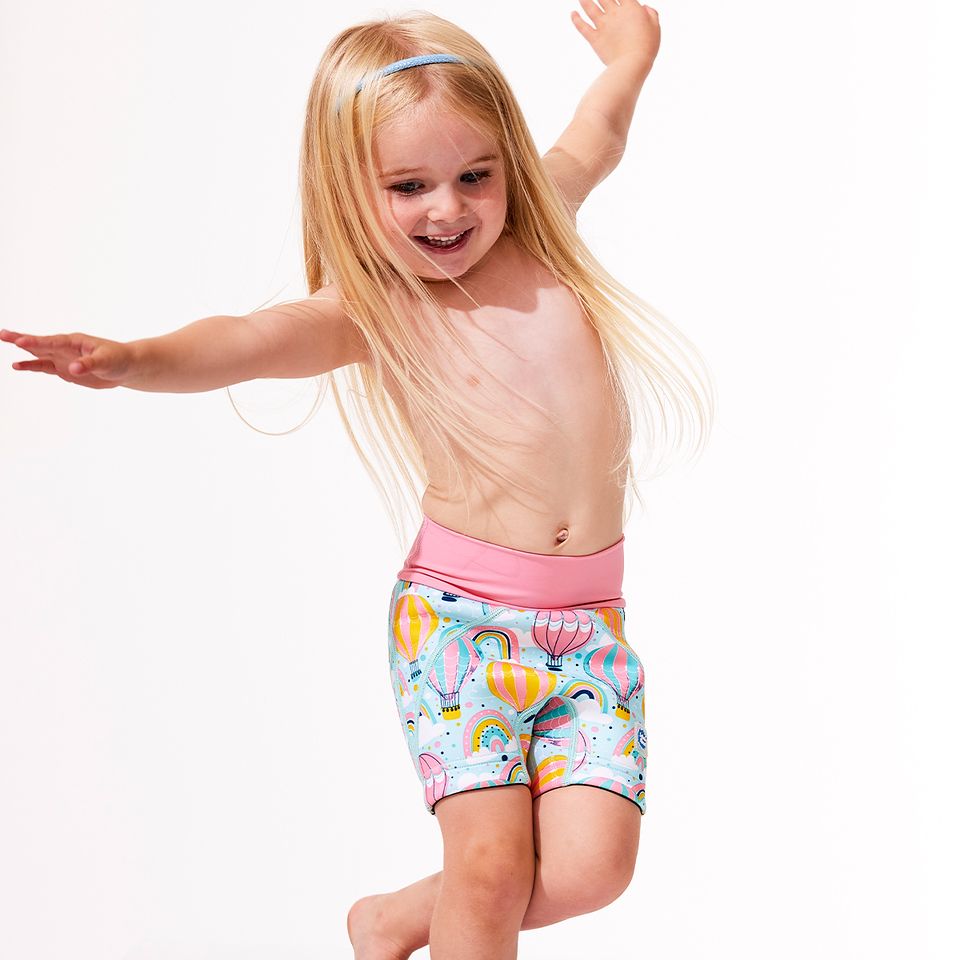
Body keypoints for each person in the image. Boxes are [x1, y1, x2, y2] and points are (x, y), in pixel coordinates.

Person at [1, 4, 715, 958]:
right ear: (352, 190)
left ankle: (386, 921)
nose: (448, 208)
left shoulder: (542, 231)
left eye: (474, 175)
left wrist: (633, 55)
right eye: (409, 186)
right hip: (460, 626)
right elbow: (246, 342)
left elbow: (600, 129)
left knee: (592, 872)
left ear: (506, 162)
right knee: (493, 868)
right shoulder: (375, 312)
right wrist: (133, 356)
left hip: (591, 626)